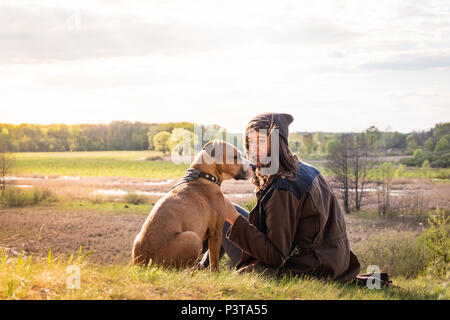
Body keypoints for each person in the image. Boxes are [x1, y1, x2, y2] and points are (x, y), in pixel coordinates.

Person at [200, 112, 360, 283]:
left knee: (228, 217)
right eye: (250, 142)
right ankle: (200, 267)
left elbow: (276, 257)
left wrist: (234, 218)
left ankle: (197, 267)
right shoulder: (301, 168)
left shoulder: (284, 188)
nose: (253, 148)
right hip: (330, 260)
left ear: (278, 142)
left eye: (260, 141)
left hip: (310, 267)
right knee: (223, 212)